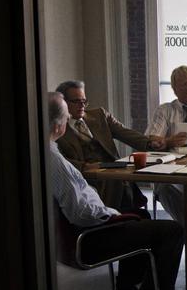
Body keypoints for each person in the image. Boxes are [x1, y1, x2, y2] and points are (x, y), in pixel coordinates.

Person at [46, 92, 184, 290]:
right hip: (88, 238)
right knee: (173, 231)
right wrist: (113, 215)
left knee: (139, 216)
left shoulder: (45, 153)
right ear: (61, 125)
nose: (81, 106)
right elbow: (81, 212)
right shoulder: (57, 162)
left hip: (74, 237)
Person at [54, 80, 162, 210]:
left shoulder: (100, 115)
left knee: (127, 177)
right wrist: (84, 166)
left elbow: (125, 133)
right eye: (77, 101)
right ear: (64, 103)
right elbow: (57, 158)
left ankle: (128, 218)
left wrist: (150, 143)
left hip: (111, 167)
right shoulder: (57, 127)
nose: (82, 105)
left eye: (84, 101)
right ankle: (111, 220)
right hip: (85, 174)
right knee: (116, 182)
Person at [146, 65, 187, 222]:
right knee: (164, 188)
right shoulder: (165, 111)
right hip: (173, 169)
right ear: (174, 89)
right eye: (183, 84)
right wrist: (168, 141)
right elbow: (150, 140)